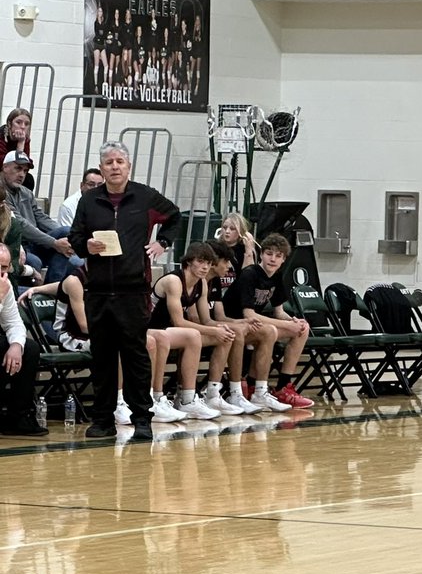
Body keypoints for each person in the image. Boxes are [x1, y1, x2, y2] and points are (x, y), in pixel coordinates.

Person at [68, 140, 182, 442]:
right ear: (102, 167)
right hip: (98, 291)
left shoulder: (145, 197)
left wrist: (162, 243)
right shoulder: (89, 201)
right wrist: (86, 246)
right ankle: (103, 419)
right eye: (109, 162)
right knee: (102, 358)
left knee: (135, 357)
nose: (115, 166)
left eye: (120, 161)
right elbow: (75, 237)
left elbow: (175, 216)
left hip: (134, 291)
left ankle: (142, 418)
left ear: (128, 166)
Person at [219, 232, 313, 409]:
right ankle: (257, 388)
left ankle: (284, 386)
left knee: (302, 329)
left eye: (278, 256)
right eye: (269, 253)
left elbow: (278, 311)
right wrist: (284, 324)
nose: (273, 259)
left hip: (253, 327)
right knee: (270, 331)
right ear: (261, 254)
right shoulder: (250, 274)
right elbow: (249, 314)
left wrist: (293, 320)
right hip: (234, 324)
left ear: (284, 259)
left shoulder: (277, 276)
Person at [148, 242, 241, 419]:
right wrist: (212, 331)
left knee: (226, 336)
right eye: (200, 262)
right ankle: (167, 398)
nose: (205, 267)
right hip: (151, 329)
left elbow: (206, 319)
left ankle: (210, 393)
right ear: (189, 262)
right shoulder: (174, 281)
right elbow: (179, 321)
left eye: (208, 262)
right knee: (193, 335)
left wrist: (220, 328)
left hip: (171, 332)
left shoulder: (202, 284)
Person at [187, 240, 271, 415]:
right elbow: (195, 319)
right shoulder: (192, 280)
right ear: (215, 261)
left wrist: (241, 322)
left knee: (241, 330)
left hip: (199, 330)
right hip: (183, 331)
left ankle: (224, 393)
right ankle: (230, 391)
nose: (229, 267)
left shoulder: (213, 282)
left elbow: (217, 318)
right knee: (232, 332)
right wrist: (227, 328)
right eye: (226, 261)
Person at [2, 150, 79, 283]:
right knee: (34, 261)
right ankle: (31, 298)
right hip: (14, 245)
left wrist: (67, 238)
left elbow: (42, 218)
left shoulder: (26, 192)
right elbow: (21, 225)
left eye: (25, 171)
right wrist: (53, 243)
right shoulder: (1, 193)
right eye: (18, 168)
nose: (21, 174)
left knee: (66, 233)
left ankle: (52, 290)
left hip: (34, 243)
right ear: (5, 167)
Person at [0, 245, 46, 438]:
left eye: (4, 267)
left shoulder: (5, 284)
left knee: (30, 348)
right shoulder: (3, 288)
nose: (1, 272)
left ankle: (18, 417)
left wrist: (17, 345)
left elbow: (14, 322)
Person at [2, 107, 34, 190]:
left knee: (28, 180)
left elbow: (25, 164)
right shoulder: (1, 136)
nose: (23, 127)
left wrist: (21, 143)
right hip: (3, 171)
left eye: (26, 124)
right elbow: (2, 164)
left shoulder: (24, 140)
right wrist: (20, 145)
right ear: (9, 124)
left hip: (11, 171)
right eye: (18, 122)